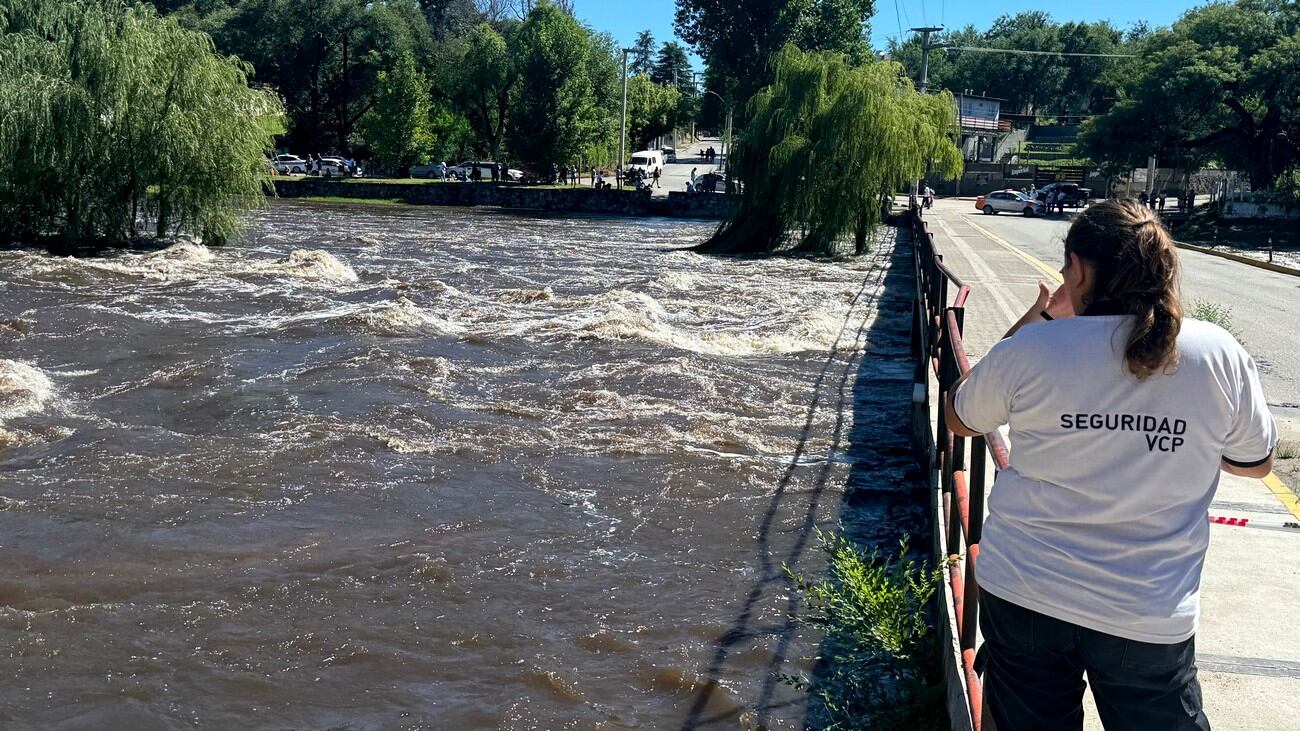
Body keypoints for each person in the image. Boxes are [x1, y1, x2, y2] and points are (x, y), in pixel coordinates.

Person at [945, 199, 1276, 731]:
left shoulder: (1035, 348)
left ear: (1078, 269)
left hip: (1027, 593)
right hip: (1146, 610)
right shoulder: (1217, 353)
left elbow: (962, 414)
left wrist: (1046, 315)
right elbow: (1253, 464)